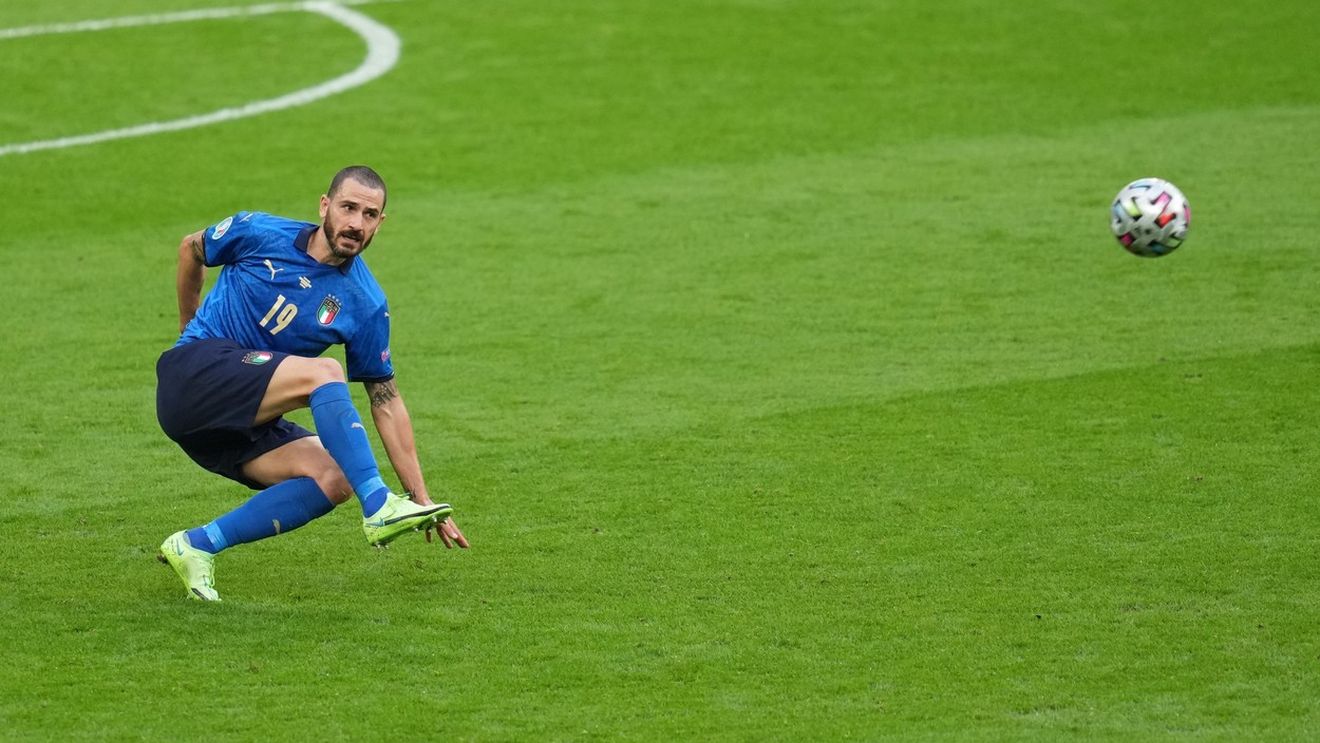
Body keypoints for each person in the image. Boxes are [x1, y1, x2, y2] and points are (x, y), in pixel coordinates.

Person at [155, 165, 468, 602]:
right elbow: (192, 248)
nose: (356, 223)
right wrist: (189, 332)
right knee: (325, 371)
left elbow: (386, 399)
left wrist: (420, 497)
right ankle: (377, 504)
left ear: (380, 223)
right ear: (325, 206)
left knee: (335, 477)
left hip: (231, 424)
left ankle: (195, 546)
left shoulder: (366, 302)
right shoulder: (259, 231)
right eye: (348, 208)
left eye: (369, 215)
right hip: (192, 377)